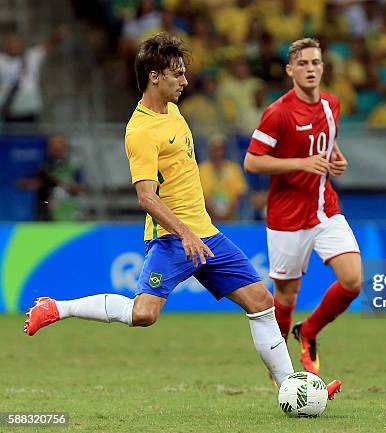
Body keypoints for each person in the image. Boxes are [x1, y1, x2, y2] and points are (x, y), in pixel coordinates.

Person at [23, 33, 341, 399]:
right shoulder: (140, 131)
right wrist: (185, 234)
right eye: (177, 74)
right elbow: (146, 196)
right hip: (173, 239)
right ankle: (56, 308)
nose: (185, 82)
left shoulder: (173, 111)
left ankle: (293, 388)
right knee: (144, 314)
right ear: (155, 76)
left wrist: (197, 231)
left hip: (207, 233)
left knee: (261, 302)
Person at [244, 38, 362, 375]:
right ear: (290, 70)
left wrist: (335, 156)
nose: (310, 69)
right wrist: (301, 163)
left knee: (353, 280)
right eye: (303, 64)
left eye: (316, 63)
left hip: (325, 208)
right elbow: (252, 162)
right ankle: (281, 370)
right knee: (285, 293)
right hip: (286, 216)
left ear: (323, 67)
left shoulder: (331, 104)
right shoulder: (278, 112)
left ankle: (308, 331)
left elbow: (327, 139)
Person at [16, 133, 84, 221]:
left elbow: (79, 190)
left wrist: (64, 185)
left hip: (66, 210)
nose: (57, 147)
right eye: (53, 145)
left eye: (60, 145)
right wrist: (39, 183)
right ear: (48, 148)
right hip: (45, 207)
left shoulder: (73, 167)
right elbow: (21, 183)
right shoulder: (41, 166)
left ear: (65, 147)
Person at [198, 135, 247, 221]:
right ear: (209, 150)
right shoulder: (201, 170)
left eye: (221, 149)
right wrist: (211, 211)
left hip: (231, 218)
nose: (218, 152)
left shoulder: (234, 169)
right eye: (215, 149)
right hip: (207, 217)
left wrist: (228, 212)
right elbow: (199, 195)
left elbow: (239, 193)